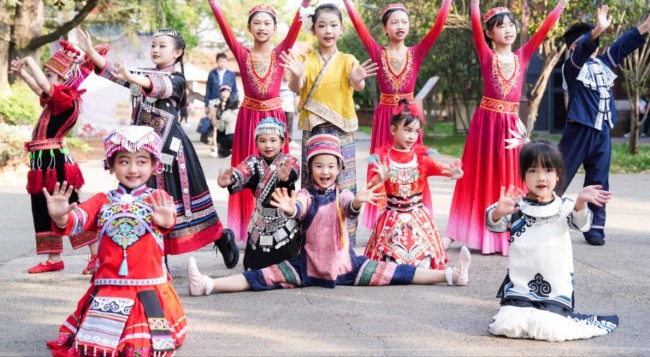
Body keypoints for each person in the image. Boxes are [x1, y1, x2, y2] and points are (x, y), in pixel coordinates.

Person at [187, 134, 472, 296]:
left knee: (400, 272)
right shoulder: (305, 194)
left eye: (331, 166)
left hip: (349, 268)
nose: (325, 171)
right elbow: (298, 206)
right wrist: (290, 209)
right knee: (258, 277)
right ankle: (208, 285)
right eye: (319, 166)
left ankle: (450, 275)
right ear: (311, 168)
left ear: (339, 169)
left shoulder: (343, 194)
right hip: (305, 268)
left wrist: (358, 201)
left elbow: (350, 207)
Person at [75, 27, 240, 268]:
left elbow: (157, 85)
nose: (156, 49)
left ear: (177, 53)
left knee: (187, 204)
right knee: (146, 200)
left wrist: (131, 77)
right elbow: (114, 73)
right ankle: (157, 258)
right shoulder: (142, 75)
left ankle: (220, 237)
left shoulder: (177, 80)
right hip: (144, 151)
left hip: (172, 151)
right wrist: (91, 51)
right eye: (153, 45)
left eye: (162, 46)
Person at [443, 0, 579, 255]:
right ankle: (460, 230)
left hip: (511, 127)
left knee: (511, 176)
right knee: (478, 175)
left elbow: (543, 32)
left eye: (510, 25)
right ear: (490, 33)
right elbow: (475, 30)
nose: (508, 29)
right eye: (501, 26)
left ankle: (512, 230)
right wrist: (475, 1)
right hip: (486, 124)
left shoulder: (522, 56)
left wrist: (561, 4)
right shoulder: (486, 56)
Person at [195, 0, 326, 242]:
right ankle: (247, 227)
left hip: (274, 117)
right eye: (257, 23)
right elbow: (225, 32)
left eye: (267, 23)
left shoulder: (281, 52)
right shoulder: (242, 53)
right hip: (248, 119)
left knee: (280, 173)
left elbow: (295, 29)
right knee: (246, 172)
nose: (262, 27)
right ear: (249, 28)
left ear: (274, 28)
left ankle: (282, 226)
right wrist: (213, 0)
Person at [329, 0, 465, 230]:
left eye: (404, 21)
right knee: (383, 165)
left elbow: (436, 30)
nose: (400, 26)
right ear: (385, 27)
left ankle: (415, 213)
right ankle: (382, 219)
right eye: (394, 22)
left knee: (414, 164)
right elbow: (360, 28)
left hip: (410, 117)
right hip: (385, 117)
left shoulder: (416, 53)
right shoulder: (378, 52)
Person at [45, 126, 186, 357]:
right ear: (111, 165)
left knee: (142, 347)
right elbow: (77, 219)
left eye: (141, 161)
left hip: (147, 287)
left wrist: (166, 219)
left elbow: (169, 218)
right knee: (96, 348)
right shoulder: (103, 201)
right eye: (123, 161)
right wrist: (60, 217)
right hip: (109, 286)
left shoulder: (158, 198)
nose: (133, 169)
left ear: (154, 165)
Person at [485, 139, 618, 341]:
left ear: (558, 175)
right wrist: (497, 212)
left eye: (548, 170)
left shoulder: (564, 206)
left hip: (555, 290)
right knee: (507, 327)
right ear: (523, 175)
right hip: (520, 288)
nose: (541, 177)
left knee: (547, 330)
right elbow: (494, 225)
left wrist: (580, 204)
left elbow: (582, 225)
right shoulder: (515, 206)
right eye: (532, 170)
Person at [281, 3, 378, 244]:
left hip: (341, 131)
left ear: (341, 29)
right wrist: (296, 75)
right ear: (313, 29)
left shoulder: (348, 60)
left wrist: (358, 79)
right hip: (314, 130)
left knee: (344, 185)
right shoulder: (306, 60)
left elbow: (358, 84)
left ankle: (346, 242)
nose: (328, 30)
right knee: (311, 185)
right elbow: (296, 87)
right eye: (322, 25)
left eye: (333, 25)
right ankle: (310, 242)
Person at [559, 8, 650, 245]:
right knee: (559, 173)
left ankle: (595, 228)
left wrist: (645, 26)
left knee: (599, 179)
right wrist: (598, 29)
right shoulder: (572, 66)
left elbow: (621, 46)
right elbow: (584, 48)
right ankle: (537, 215)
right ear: (574, 47)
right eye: (590, 40)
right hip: (578, 130)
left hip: (602, 131)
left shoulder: (603, 63)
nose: (595, 45)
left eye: (596, 40)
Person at [10, 41, 98, 275]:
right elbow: (38, 87)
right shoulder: (57, 99)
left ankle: (95, 254)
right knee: (42, 206)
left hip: (54, 162)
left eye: (50, 75)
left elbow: (42, 85)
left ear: (63, 79)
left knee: (69, 206)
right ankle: (53, 258)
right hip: (43, 161)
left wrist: (29, 60)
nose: (46, 79)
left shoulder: (66, 99)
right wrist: (23, 73)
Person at [365, 100, 463, 269]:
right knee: (388, 265)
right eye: (407, 130)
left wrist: (454, 173)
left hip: (418, 218)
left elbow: (443, 169)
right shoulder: (384, 160)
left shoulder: (422, 160)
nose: (412, 136)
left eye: (416, 131)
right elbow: (371, 188)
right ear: (393, 130)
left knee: (423, 263)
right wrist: (379, 179)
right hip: (392, 218)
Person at [217, 118, 300, 270]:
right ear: (256, 143)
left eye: (273, 140)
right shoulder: (253, 162)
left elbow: (295, 171)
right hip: (260, 222)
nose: (268, 145)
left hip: (284, 222)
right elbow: (242, 171)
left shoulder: (289, 161)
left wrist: (286, 177)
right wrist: (230, 179)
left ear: (283, 142)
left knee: (289, 267)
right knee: (253, 267)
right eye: (262, 140)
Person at [206, 52, 238, 155]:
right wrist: (206, 105)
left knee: (224, 123)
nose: (222, 63)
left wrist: (234, 103)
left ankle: (223, 147)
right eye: (220, 61)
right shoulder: (212, 73)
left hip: (227, 102)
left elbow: (234, 90)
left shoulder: (231, 74)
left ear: (226, 62)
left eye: (224, 61)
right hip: (214, 101)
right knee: (214, 124)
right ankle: (213, 147)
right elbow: (208, 89)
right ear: (217, 62)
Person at [215, 84, 239, 158]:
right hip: (239, 135)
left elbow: (221, 128)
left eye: (226, 91)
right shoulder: (240, 112)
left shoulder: (226, 112)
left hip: (230, 135)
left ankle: (224, 151)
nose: (224, 93)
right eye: (223, 91)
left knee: (219, 132)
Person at [279, 68, 298, 145]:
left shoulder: (292, 83)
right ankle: (281, 139)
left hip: (290, 106)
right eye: (285, 73)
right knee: (281, 123)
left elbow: (295, 97)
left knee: (289, 124)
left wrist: (296, 109)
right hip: (281, 106)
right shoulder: (280, 83)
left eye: (288, 74)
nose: (287, 76)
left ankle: (290, 139)